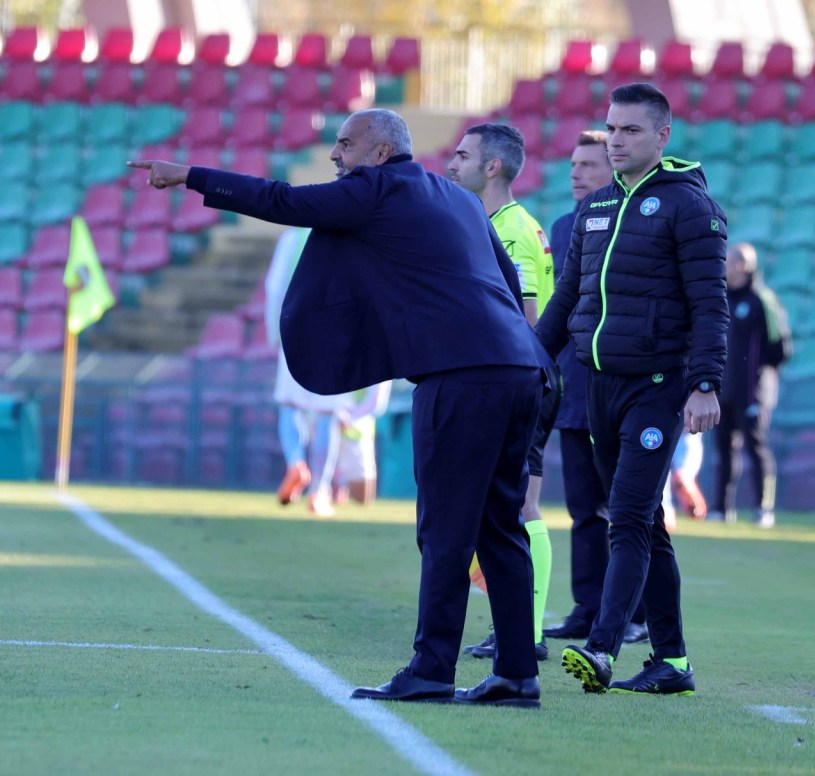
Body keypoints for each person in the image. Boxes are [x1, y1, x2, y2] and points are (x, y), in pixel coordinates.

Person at [129, 108, 552, 708]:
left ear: (381, 153)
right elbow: (508, 281)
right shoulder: (456, 198)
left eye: (346, 145)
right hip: (519, 369)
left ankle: (432, 670)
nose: (335, 155)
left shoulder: (374, 190)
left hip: (462, 376)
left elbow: (282, 201)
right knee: (501, 527)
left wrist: (189, 174)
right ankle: (516, 675)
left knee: (447, 531)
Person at [534, 83, 728, 696]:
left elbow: (709, 304)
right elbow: (567, 300)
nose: (617, 140)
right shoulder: (595, 210)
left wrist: (703, 383)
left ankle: (602, 647)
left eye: (631, 131)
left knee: (626, 517)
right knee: (647, 524)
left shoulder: (689, 207)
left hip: (660, 386)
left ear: (662, 137)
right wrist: (526, 359)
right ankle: (671, 662)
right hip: (599, 385)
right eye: (612, 129)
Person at [446, 122, 559, 662]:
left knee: (523, 508)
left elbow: (528, 318)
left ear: (492, 167)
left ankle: (528, 631)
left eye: (463, 156)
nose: (452, 163)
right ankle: (514, 627)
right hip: (516, 378)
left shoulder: (512, 231)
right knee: (502, 508)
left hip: (521, 379)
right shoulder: (495, 223)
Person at [543, 130, 648, 646]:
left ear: (612, 170)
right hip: (574, 388)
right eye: (573, 164)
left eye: (588, 164)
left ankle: (634, 612)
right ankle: (587, 607)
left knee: (624, 509)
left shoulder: (637, 222)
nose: (577, 173)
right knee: (583, 508)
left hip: (622, 388)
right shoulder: (564, 227)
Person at [706, 242, 791, 528]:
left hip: (754, 392)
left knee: (756, 448)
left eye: (732, 261)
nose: (727, 265)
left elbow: (780, 347)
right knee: (724, 450)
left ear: (745, 265)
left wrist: (756, 377)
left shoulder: (762, 300)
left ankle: (763, 509)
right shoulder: (720, 298)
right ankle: (721, 509)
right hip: (723, 390)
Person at [266, 226, 343, 516]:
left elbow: (274, 288)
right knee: (327, 412)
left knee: (290, 404)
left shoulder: (294, 237)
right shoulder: (349, 230)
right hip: (336, 333)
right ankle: (319, 492)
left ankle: (296, 463)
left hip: (294, 329)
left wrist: (275, 333)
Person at [331, 381, 393, 505]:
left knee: (363, 497)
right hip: (333, 424)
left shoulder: (379, 369)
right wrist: (339, 414)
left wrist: (350, 418)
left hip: (358, 431)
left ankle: (343, 485)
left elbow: (376, 404)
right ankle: (335, 487)